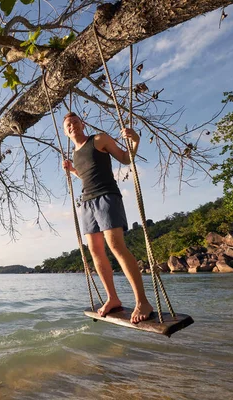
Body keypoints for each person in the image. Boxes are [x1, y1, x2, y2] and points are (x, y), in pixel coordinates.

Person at [61, 112, 153, 324]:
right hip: (86, 202)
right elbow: (85, 174)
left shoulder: (99, 140)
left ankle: (143, 301)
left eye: (75, 121)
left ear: (82, 124)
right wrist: (72, 170)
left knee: (116, 246)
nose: (72, 125)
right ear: (66, 132)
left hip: (107, 196)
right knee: (95, 251)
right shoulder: (74, 153)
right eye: (68, 125)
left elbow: (125, 158)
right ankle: (112, 298)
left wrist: (136, 141)